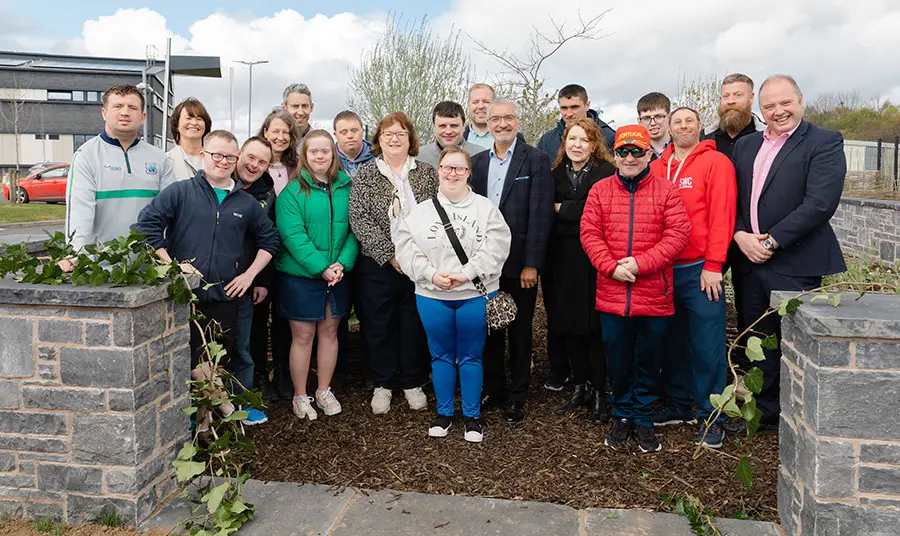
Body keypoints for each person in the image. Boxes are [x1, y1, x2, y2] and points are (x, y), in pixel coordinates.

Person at [133, 130, 280, 429]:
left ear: (236, 160)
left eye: (229, 156)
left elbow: (270, 240)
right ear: (203, 156)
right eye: (217, 154)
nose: (223, 161)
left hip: (225, 296)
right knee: (194, 361)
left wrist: (249, 275)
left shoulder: (246, 203)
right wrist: (173, 266)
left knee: (216, 362)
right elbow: (145, 226)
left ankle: (204, 425)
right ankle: (225, 409)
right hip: (184, 296)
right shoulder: (180, 192)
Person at [729, 75, 846, 433]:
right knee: (757, 341)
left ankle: (795, 416)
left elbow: (819, 204)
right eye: (769, 106)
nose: (778, 111)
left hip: (795, 260)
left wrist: (771, 241)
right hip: (748, 260)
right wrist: (739, 235)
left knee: (793, 343)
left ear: (801, 100)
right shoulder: (746, 146)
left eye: (785, 103)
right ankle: (764, 414)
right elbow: (730, 199)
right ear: (759, 110)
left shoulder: (824, 142)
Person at [580, 125, 691, 453]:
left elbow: (677, 235)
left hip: (653, 291)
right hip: (613, 293)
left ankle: (642, 416)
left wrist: (640, 264)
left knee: (648, 357)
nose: (629, 158)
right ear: (615, 156)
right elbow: (589, 232)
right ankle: (623, 414)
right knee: (618, 356)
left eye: (637, 151)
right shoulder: (600, 190)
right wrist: (612, 267)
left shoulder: (667, 191)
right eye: (623, 152)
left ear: (648, 155)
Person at [395, 146, 511, 443]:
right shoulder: (420, 213)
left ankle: (472, 416)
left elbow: (496, 247)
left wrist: (467, 273)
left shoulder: (485, 209)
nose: (453, 173)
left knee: (472, 355)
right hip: (433, 294)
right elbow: (408, 250)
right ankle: (444, 413)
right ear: (438, 171)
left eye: (459, 168)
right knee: (441, 355)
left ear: (468, 172)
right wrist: (431, 275)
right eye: (447, 167)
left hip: (474, 293)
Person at [649, 107, 737, 448]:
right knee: (670, 344)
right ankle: (679, 404)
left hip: (701, 270)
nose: (683, 126)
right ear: (669, 129)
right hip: (663, 270)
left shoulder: (716, 164)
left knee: (706, 346)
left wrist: (714, 264)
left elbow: (722, 217)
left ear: (700, 126)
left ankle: (711, 415)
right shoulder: (656, 167)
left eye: (689, 121)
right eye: (677, 122)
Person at [349, 112, 438, 415]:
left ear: (411, 139)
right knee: (378, 324)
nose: (395, 138)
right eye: (388, 134)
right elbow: (359, 218)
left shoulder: (426, 172)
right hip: (378, 264)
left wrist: (418, 255)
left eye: (401, 133)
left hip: (420, 262)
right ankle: (383, 384)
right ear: (378, 140)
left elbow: (437, 213)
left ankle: (412, 381)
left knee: (413, 323)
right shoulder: (366, 173)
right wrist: (389, 254)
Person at [470, 99, 553, 423]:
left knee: (519, 331)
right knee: (489, 330)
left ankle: (518, 395)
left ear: (517, 121)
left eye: (508, 118)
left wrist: (531, 264)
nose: (502, 124)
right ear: (487, 123)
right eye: (495, 119)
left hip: (520, 265)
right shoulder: (476, 163)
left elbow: (541, 216)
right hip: (484, 265)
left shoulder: (535, 159)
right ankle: (495, 388)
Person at [275, 130, 358, 420]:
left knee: (330, 332)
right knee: (303, 335)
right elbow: (293, 236)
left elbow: (354, 231)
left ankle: (323, 390)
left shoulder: (347, 186)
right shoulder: (292, 192)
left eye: (325, 151)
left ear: (333, 155)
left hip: (336, 275)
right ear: (304, 156)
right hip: (302, 276)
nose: (320, 156)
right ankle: (300, 395)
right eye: (314, 152)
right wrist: (322, 267)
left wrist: (341, 265)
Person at [536, 84, 614, 391]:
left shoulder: (606, 173)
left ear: (594, 144)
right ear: (564, 143)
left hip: (593, 260)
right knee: (567, 322)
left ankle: (599, 386)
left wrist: (564, 209)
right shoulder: (554, 173)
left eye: (584, 140)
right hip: (561, 260)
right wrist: (575, 212)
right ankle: (578, 383)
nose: (577, 145)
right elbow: (548, 213)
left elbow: (599, 214)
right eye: (572, 139)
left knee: (593, 325)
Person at [62, 85, 176, 270]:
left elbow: (172, 213)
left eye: (132, 108)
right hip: (102, 267)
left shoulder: (159, 158)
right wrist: (75, 255)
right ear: (104, 113)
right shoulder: (86, 156)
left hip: (152, 267)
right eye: (118, 106)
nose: (125, 112)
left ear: (143, 117)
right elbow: (79, 212)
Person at [232, 136, 275, 425]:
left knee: (242, 346)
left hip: (247, 279)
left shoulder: (267, 192)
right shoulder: (216, 182)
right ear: (238, 155)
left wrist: (260, 279)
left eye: (262, 162)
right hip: (209, 277)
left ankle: (242, 402)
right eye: (251, 157)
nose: (254, 165)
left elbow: (269, 238)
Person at [538, 84, 616, 157]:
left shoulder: (609, 137)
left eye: (574, 107)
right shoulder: (547, 141)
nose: (569, 114)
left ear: (587, 105)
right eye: (564, 108)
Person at [703, 73, 766, 159]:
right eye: (726, 96)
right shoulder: (703, 139)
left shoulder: (766, 138)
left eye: (738, 95)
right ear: (721, 99)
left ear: (751, 98)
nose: (730, 101)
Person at [417, 101, 486, 166]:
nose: (448, 131)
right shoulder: (418, 157)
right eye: (442, 126)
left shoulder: (482, 156)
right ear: (434, 128)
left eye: (454, 126)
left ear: (463, 127)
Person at [167, 97, 212, 180]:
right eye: (188, 118)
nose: (194, 123)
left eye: (199, 119)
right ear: (177, 125)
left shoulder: (216, 159)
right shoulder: (166, 161)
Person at [258, 110, 300, 196]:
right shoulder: (255, 165)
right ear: (266, 133)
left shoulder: (299, 166)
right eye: (276, 131)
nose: (280, 137)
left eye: (285, 132)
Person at [334, 110, 374, 177]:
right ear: (335, 135)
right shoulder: (328, 161)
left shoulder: (380, 158)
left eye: (354, 131)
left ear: (362, 131)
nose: (350, 136)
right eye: (344, 132)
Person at [636, 92, 672, 159]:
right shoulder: (635, 156)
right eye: (646, 118)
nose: (653, 123)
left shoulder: (685, 148)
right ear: (639, 121)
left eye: (658, 116)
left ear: (669, 117)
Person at [463, 83, 495, 149]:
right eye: (475, 102)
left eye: (486, 102)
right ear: (469, 105)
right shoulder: (457, 138)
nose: (481, 106)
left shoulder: (513, 138)